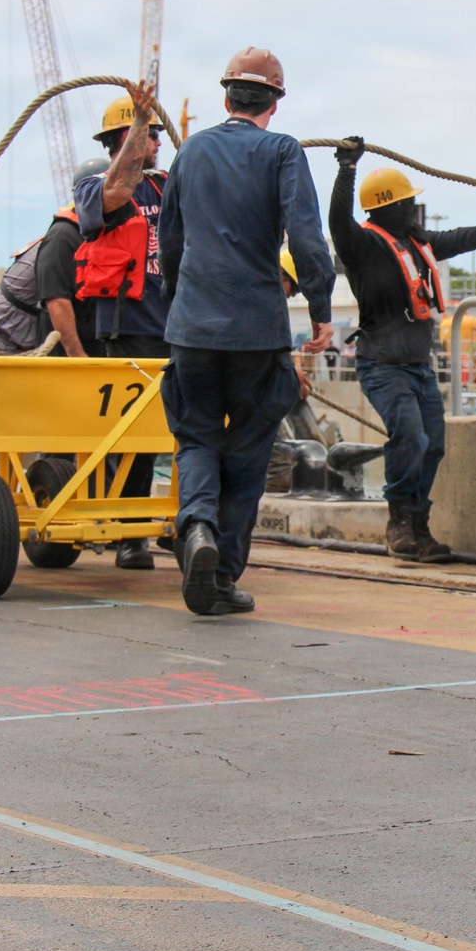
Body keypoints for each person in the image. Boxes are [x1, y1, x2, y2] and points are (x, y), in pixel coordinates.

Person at [159, 47, 335, 616]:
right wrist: (321, 306)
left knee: (196, 437)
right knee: (250, 452)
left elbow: (171, 243)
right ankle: (222, 576)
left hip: (193, 328)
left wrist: (178, 309)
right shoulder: (282, 152)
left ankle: (198, 528)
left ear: (226, 96)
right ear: (275, 103)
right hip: (257, 332)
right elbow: (306, 239)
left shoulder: (190, 151)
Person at [330, 141, 476, 562]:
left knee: (432, 444)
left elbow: (460, 238)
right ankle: (398, 522)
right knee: (410, 437)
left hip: (418, 366)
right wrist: (347, 168)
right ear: (388, 208)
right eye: (407, 204)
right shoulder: (363, 248)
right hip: (383, 365)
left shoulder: (417, 243)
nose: (414, 211)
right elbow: (338, 221)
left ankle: (418, 525)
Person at [74, 81, 169, 569]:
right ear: (125, 138)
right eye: (151, 136)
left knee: (166, 436)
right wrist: (141, 121)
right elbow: (115, 190)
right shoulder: (96, 189)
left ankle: (174, 523)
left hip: (173, 330)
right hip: (126, 329)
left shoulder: (168, 186)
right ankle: (128, 534)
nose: (158, 143)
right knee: (130, 440)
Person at [35, 157, 109, 358]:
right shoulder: (62, 237)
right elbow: (56, 299)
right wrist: (77, 355)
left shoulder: (101, 236)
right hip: (68, 359)